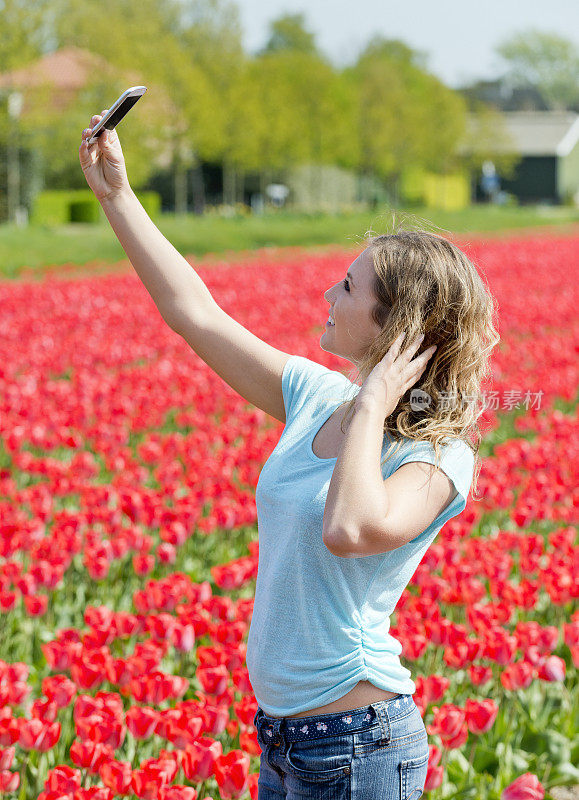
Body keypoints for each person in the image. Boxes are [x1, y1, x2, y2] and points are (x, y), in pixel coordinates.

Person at [79, 113, 500, 800]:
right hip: (280, 740)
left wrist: (369, 407)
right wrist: (116, 197)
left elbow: (348, 530)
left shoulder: (437, 457)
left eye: (346, 286)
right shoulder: (313, 395)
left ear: (394, 324)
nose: (327, 296)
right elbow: (197, 314)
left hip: (360, 744)